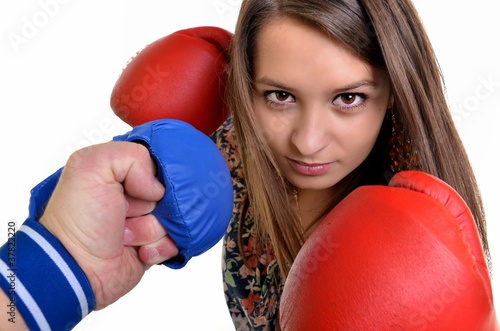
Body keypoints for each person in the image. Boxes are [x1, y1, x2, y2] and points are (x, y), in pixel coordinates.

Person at [0, 0, 497, 330]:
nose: (307, 142)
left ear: (394, 92)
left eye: (348, 98)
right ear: (243, 85)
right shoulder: (228, 148)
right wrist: (57, 262)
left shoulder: (424, 236)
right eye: (279, 95)